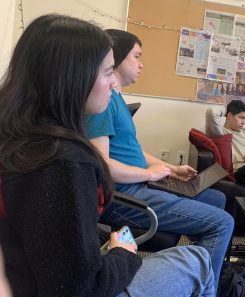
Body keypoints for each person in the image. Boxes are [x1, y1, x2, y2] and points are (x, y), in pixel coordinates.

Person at [0, 14, 214, 296]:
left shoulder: (22, 136)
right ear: (73, 77)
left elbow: (56, 232)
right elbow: (82, 287)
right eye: (107, 72)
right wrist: (123, 254)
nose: (113, 84)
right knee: (197, 259)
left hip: (29, 269)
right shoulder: (64, 161)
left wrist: (168, 167)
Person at [85, 29, 233, 288]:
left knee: (216, 198)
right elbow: (103, 165)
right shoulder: (103, 103)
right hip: (125, 196)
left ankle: (197, 265)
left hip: (140, 185)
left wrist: (170, 169)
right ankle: (204, 286)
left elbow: (133, 149)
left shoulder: (117, 98)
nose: (141, 64)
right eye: (137, 56)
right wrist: (150, 174)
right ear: (116, 58)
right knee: (222, 223)